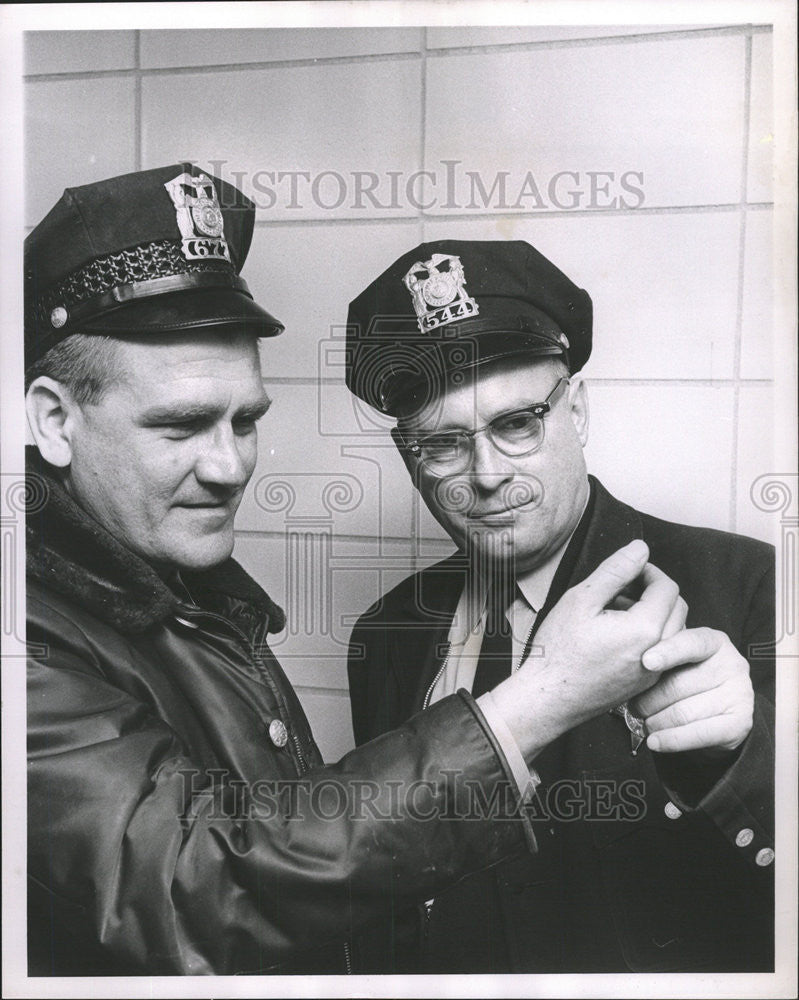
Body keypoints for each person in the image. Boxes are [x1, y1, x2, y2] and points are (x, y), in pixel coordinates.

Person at [24, 166, 695, 977]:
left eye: (246, 421)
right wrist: (538, 702)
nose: (230, 465)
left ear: (575, 410)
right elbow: (187, 883)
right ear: (54, 422)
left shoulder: (184, 581)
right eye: (181, 426)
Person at [345, 239, 775, 974]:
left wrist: (745, 755)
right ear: (407, 459)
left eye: (517, 424)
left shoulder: (742, 585)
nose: (486, 475)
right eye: (443, 443)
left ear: (574, 411)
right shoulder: (386, 633)